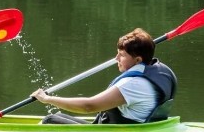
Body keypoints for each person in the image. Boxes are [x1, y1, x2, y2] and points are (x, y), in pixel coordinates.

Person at [31, 28, 176, 124]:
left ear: (138, 59)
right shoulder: (159, 71)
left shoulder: (133, 85)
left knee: (50, 120)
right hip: (131, 128)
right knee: (59, 116)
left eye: (122, 55)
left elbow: (89, 106)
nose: (116, 58)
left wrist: (47, 99)